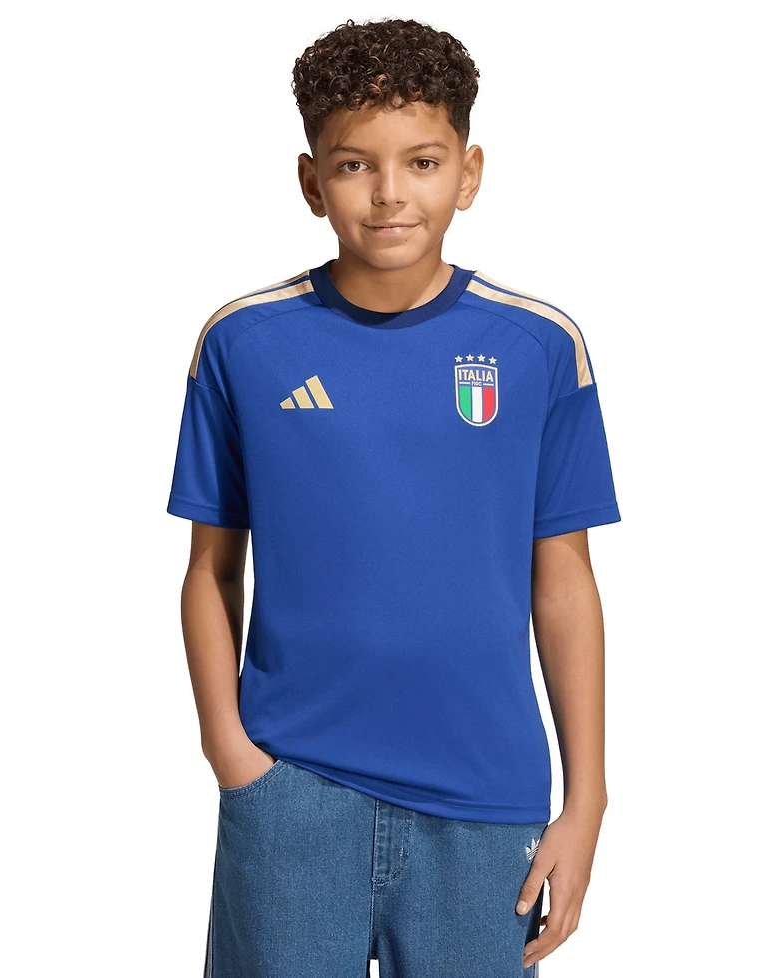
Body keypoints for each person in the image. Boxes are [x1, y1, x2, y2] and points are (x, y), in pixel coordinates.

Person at [166, 16, 621, 978]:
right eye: (353, 166)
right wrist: (232, 757)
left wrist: (587, 801)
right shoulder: (244, 342)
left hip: (486, 799)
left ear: (469, 172)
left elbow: (565, 582)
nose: (388, 194)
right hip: (291, 790)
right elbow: (210, 571)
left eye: (421, 162)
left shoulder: (539, 346)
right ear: (311, 182)